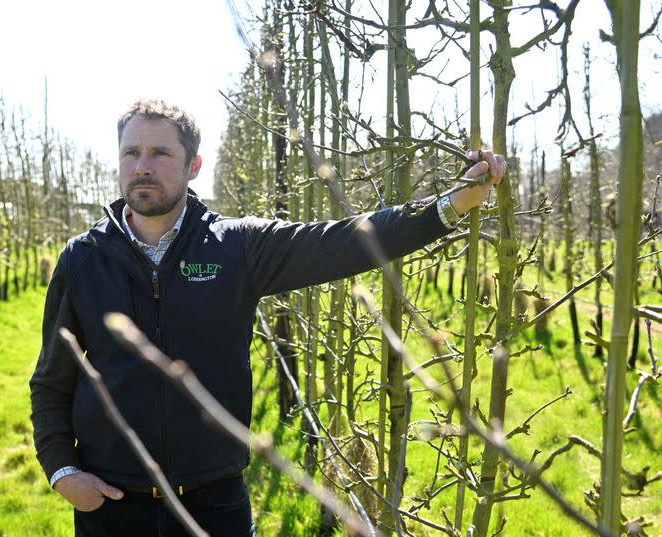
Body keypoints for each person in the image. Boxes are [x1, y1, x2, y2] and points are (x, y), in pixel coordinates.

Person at [29, 98, 505, 537]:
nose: (142, 167)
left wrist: (451, 205)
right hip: (111, 508)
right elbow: (52, 380)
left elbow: (343, 241)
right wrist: (62, 471)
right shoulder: (83, 259)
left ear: (193, 166)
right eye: (131, 153)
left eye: (159, 153)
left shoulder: (236, 246)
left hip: (214, 505)